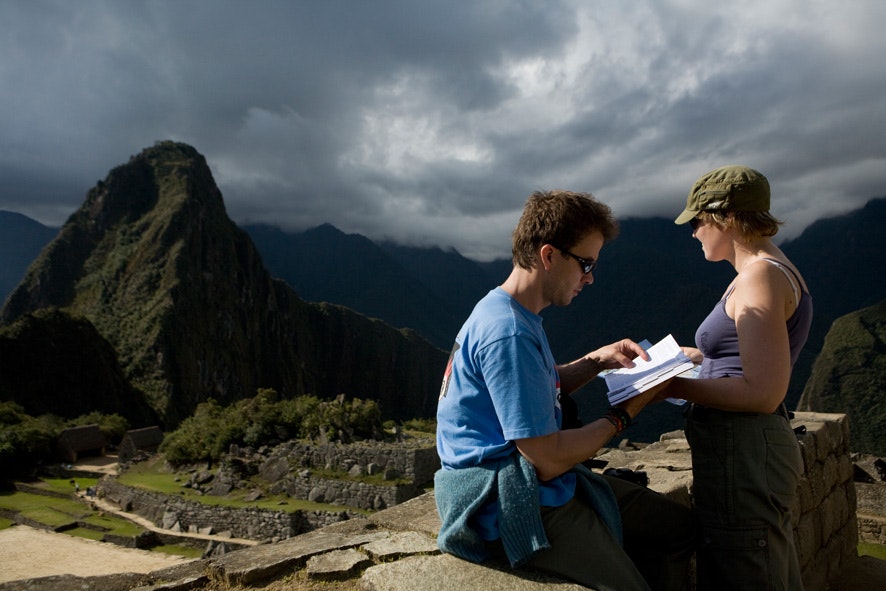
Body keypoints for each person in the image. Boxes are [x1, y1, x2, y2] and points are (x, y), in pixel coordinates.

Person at [435, 190, 695, 591]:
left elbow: (529, 386)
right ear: (549, 255)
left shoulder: (506, 310)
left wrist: (597, 361)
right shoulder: (509, 334)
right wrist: (626, 411)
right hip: (506, 500)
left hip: (528, 476)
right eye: (586, 263)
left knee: (676, 529)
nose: (590, 278)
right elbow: (547, 459)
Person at [664, 165, 813, 590]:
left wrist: (669, 386)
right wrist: (683, 358)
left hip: (743, 455)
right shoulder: (767, 270)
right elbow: (741, 355)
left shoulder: (760, 276)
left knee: (745, 571)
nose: (694, 232)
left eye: (697, 221)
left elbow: (764, 392)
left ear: (725, 218)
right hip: (747, 453)